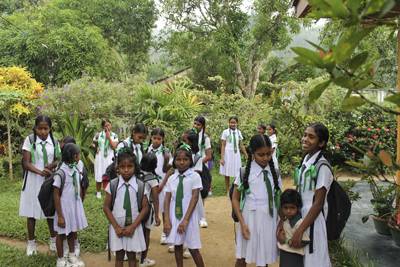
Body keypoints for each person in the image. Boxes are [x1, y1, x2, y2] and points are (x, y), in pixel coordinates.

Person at [232, 134, 282, 267]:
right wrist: (242, 223)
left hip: (269, 220)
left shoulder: (275, 173)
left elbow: (279, 199)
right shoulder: (244, 173)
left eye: (268, 154)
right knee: (242, 257)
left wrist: (281, 222)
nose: (265, 158)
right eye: (261, 154)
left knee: (263, 257)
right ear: (252, 153)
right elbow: (235, 198)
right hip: (248, 220)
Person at [288, 123, 333, 267]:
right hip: (302, 218)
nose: (305, 139)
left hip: (313, 222)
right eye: (305, 135)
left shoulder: (322, 167)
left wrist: (300, 230)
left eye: (311, 137)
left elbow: (318, 204)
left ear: (321, 143)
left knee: (315, 261)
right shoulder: (306, 161)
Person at [19, 115, 61, 255]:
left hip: (48, 181)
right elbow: (26, 163)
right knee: (31, 213)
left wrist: (52, 164)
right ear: (35, 128)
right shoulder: (30, 140)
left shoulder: (54, 141)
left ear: (50, 128)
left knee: (50, 211)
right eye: (40, 128)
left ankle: (53, 241)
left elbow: (58, 159)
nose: (43, 132)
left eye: (46, 128)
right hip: (33, 180)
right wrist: (39, 171)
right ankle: (31, 244)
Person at [103, 149, 150, 267]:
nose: (126, 169)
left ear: (135, 167)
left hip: (134, 227)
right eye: (122, 166)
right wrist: (116, 227)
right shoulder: (112, 185)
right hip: (117, 228)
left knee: (132, 257)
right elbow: (106, 207)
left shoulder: (140, 185)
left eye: (130, 166)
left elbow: (145, 208)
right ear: (117, 167)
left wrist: (133, 227)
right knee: (119, 257)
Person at [163, 145, 205, 267]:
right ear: (174, 161)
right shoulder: (171, 178)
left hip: (189, 216)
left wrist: (186, 220)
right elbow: (167, 199)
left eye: (185, 159)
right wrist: (166, 219)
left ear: (190, 161)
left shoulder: (195, 177)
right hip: (174, 216)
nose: (182, 162)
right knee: (177, 245)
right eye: (178, 160)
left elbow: (195, 197)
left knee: (193, 248)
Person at [54, 143, 87, 267]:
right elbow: (56, 194)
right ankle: (61, 259)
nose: (79, 157)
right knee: (61, 234)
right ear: (73, 156)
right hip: (63, 209)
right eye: (78, 154)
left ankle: (72, 256)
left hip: (73, 208)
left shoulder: (75, 169)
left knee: (73, 232)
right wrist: (60, 215)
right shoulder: (61, 173)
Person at [60, 136, 89, 257]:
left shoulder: (80, 164)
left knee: (75, 223)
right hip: (65, 201)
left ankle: (75, 244)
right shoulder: (61, 166)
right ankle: (66, 247)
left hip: (76, 198)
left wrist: (81, 199)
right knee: (66, 225)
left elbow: (84, 183)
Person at [146, 128, 172, 245]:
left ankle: (165, 233)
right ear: (151, 138)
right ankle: (147, 231)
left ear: (163, 139)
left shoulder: (166, 152)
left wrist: (162, 184)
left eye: (159, 139)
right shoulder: (147, 149)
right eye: (154, 138)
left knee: (164, 208)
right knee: (149, 207)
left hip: (162, 184)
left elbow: (169, 170)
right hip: (149, 183)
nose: (156, 141)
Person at [139, 153, 161, 267]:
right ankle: (143, 259)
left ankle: (133, 254)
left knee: (136, 231)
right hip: (147, 209)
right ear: (154, 165)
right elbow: (156, 199)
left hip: (135, 208)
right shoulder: (152, 179)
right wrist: (157, 215)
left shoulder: (136, 174)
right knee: (146, 233)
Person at [277, 189, 309, 267]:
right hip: (284, 253)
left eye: (292, 208)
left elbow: (305, 241)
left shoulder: (299, 223)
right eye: (285, 208)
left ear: (298, 208)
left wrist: (287, 241)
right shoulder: (285, 220)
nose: (288, 211)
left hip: (294, 256)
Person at [220, 116, 248, 193]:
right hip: (227, 154)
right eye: (231, 122)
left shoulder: (238, 132)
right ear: (228, 123)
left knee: (237, 171)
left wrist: (246, 155)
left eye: (234, 123)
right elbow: (223, 145)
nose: (232, 124)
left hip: (236, 154)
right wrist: (222, 158)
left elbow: (241, 145)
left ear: (237, 123)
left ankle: (236, 188)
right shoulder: (225, 132)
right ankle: (228, 189)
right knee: (227, 171)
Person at [193, 116, 212, 228]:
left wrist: (198, 162)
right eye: (194, 124)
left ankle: (202, 216)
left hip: (201, 168)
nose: (196, 126)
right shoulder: (190, 136)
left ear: (203, 126)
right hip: (191, 167)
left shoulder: (205, 138)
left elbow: (208, 156)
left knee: (201, 191)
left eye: (198, 124)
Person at [93, 119, 118, 199]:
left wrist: (109, 138)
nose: (107, 127)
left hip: (110, 157)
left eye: (108, 125)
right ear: (103, 127)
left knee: (110, 173)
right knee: (99, 173)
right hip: (100, 157)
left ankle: (110, 190)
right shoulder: (98, 135)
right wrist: (95, 148)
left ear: (111, 125)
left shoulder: (114, 135)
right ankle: (98, 192)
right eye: (105, 125)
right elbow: (93, 143)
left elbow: (114, 147)